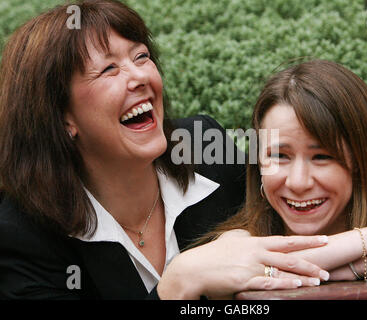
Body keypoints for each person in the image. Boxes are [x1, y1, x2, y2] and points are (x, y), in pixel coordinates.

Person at [0, 0, 332, 300]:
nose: (139, 76)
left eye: (141, 56)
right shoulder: (21, 235)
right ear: (61, 119)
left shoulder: (203, 146)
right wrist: (177, 283)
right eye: (108, 69)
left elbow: (297, 242)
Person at [197, 60, 367, 286]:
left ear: (362, 162)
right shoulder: (236, 243)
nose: (298, 182)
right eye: (279, 156)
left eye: (322, 157)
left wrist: (362, 261)